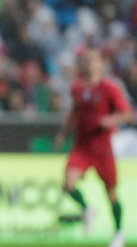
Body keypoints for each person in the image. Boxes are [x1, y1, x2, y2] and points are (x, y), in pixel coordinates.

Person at [54, 46, 132, 247]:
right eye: (85, 60)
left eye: (92, 59)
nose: (88, 63)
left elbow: (127, 113)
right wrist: (63, 133)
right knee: (68, 184)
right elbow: (74, 113)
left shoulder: (110, 88)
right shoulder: (78, 88)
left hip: (103, 149)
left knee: (111, 193)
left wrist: (111, 119)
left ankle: (118, 234)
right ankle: (87, 208)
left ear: (101, 63)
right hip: (82, 147)